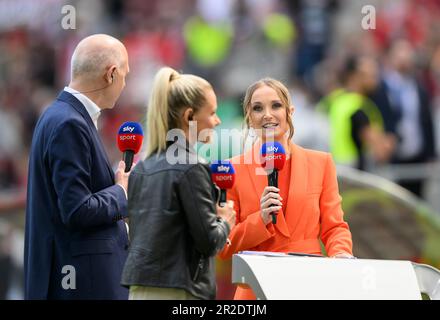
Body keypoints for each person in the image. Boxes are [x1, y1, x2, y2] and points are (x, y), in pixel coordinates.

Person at [218, 78, 353, 300]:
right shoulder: (232, 169)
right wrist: (260, 219)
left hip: (308, 283)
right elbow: (225, 245)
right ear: (249, 119)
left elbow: (335, 227)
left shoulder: (321, 163)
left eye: (276, 106)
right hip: (255, 287)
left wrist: (341, 254)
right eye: (258, 108)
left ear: (290, 112)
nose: (267, 114)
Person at [24, 34, 131, 299]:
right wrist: (121, 192)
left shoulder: (59, 115)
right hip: (81, 285)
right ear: (111, 74)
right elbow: (77, 210)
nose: (125, 84)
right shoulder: (69, 123)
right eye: (125, 75)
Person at [121, 67, 236, 300]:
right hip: (178, 291)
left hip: (139, 289)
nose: (217, 120)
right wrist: (225, 220)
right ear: (190, 116)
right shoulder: (192, 166)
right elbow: (208, 241)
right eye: (212, 112)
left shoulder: (143, 168)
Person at [318, 56, 395, 170]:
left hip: (332, 172)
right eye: (371, 75)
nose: (375, 80)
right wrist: (388, 143)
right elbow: (381, 152)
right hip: (354, 174)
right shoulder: (359, 107)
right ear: (355, 76)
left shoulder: (332, 101)